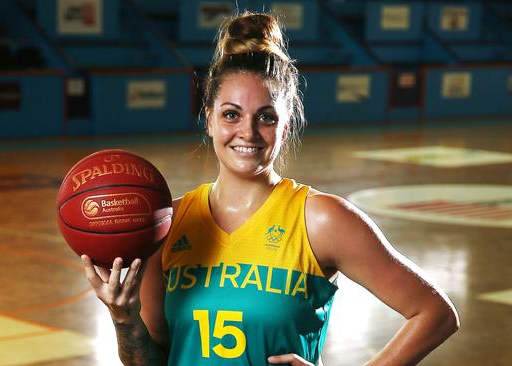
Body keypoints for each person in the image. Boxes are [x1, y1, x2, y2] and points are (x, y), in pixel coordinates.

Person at [81, 11, 459, 366]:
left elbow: (435, 313)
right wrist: (123, 318)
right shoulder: (167, 225)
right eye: (231, 114)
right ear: (209, 119)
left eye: (266, 117)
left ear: (286, 126)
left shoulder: (321, 219)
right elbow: (150, 359)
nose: (247, 131)